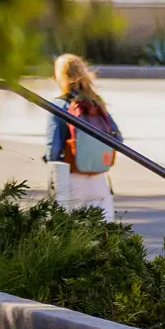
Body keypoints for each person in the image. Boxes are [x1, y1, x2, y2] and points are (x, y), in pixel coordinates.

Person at [44, 55, 120, 218]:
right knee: (104, 232)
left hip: (72, 176)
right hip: (99, 177)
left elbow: (54, 148)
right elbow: (117, 138)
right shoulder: (96, 102)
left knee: (71, 233)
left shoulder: (59, 105)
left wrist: (53, 170)